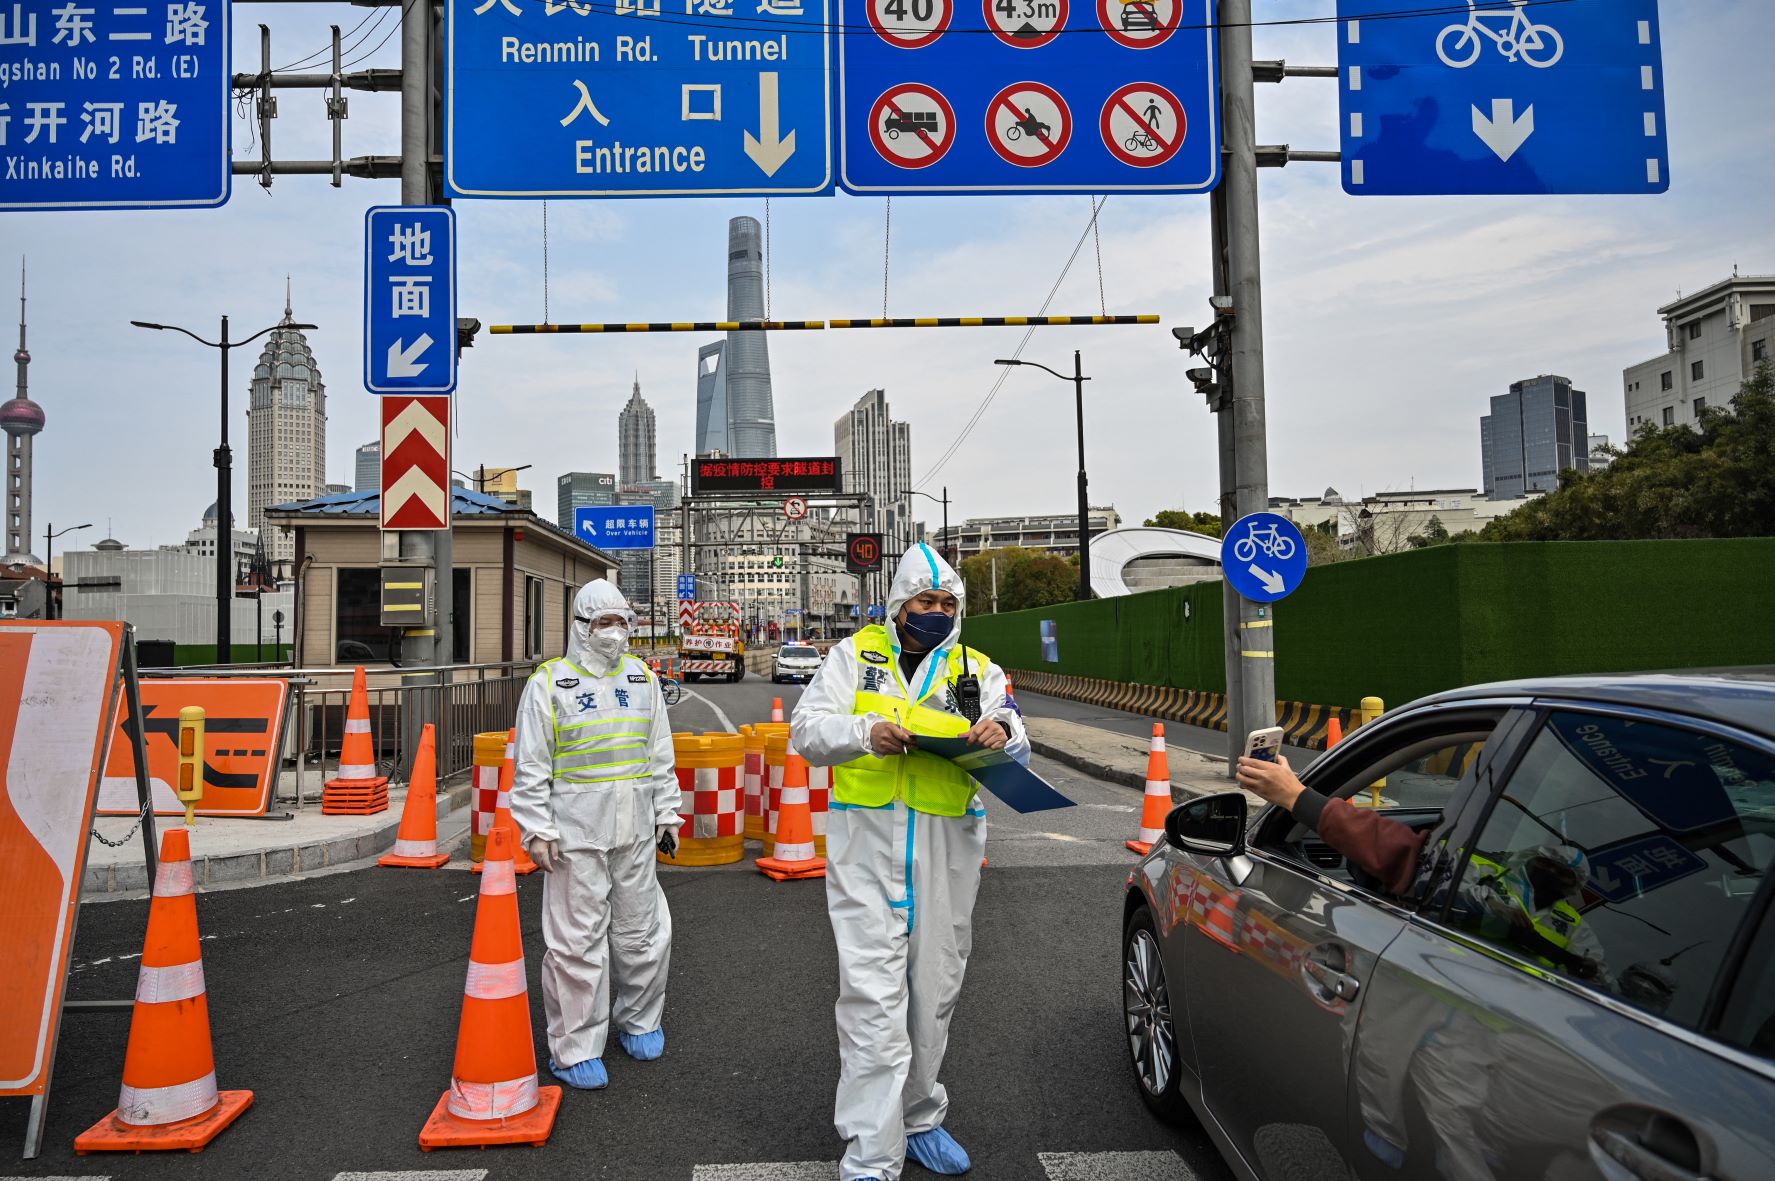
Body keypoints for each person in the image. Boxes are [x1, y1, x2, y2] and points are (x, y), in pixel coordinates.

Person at [793, 544, 1029, 1181]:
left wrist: (1004, 733)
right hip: (865, 846)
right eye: (927, 601)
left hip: (947, 851)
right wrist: (862, 734)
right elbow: (806, 730)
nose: (938, 612)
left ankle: (921, 1116)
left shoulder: (976, 669)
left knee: (935, 992)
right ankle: (871, 1153)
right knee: (871, 999)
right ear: (900, 604)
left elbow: (1017, 738)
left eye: (948, 603)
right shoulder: (853, 657)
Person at [508, 579, 682, 1092]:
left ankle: (640, 1021)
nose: (615, 632)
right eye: (604, 623)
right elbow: (531, 765)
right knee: (576, 942)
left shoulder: (642, 679)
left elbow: (660, 753)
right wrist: (536, 828)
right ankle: (575, 1048)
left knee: (642, 932)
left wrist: (667, 813)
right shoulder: (549, 684)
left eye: (622, 622)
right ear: (582, 627)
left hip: (635, 829)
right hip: (575, 834)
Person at [1235, 756, 1604, 978]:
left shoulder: (1576, 929)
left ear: (1574, 886)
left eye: (1565, 876)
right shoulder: (1484, 876)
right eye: (1550, 865)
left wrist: (1296, 797)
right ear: (1535, 859)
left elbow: (1405, 859)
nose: (1554, 876)